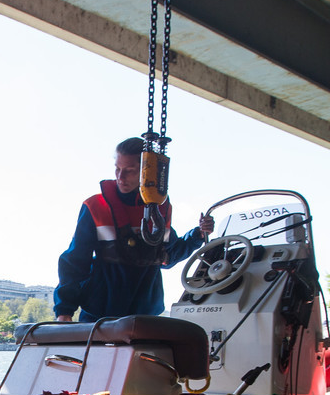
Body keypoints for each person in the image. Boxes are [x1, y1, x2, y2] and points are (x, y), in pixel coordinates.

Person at [53, 137, 215, 322]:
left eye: (129, 171)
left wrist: (198, 235)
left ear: (147, 173)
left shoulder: (160, 209)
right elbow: (75, 261)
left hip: (144, 316)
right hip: (98, 314)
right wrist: (64, 312)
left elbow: (167, 257)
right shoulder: (94, 207)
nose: (120, 177)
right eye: (117, 169)